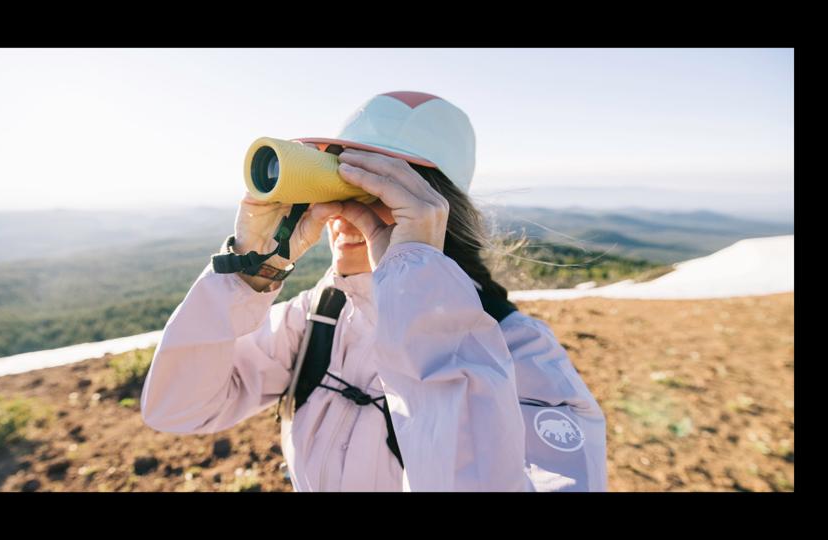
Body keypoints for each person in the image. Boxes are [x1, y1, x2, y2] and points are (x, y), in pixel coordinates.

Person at [140, 91, 607, 491]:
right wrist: (247, 269)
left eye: (384, 192)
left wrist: (421, 286)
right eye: (337, 182)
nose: (345, 213)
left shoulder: (523, 356)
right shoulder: (320, 315)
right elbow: (179, 409)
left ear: (438, 211)